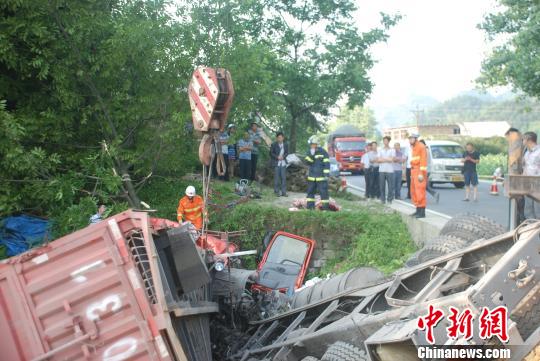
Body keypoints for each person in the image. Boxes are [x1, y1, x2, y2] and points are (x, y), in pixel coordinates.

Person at [305, 136, 330, 210]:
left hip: (321, 177)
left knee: (324, 193)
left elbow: (327, 163)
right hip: (312, 177)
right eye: (311, 144)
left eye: (312, 144)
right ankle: (310, 208)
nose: (311, 146)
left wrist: (326, 175)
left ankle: (325, 209)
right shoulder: (309, 151)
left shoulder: (323, 152)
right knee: (310, 193)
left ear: (316, 144)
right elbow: (308, 162)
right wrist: (312, 155)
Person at [409, 133, 428, 218]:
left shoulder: (421, 146)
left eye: (411, 138)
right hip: (414, 171)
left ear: (416, 138)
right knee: (414, 192)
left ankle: (422, 212)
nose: (410, 140)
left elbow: (423, 161)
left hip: (419, 171)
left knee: (420, 192)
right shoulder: (414, 147)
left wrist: (421, 173)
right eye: (409, 138)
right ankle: (417, 210)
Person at [522, 131, 540, 219]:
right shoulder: (527, 153)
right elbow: (526, 167)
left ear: (529, 140)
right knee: (528, 210)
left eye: (523, 139)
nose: (522, 141)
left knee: (538, 210)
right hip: (528, 183)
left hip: (538, 183)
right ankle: (531, 231)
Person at [377, 136, 396, 204]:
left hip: (390, 170)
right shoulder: (380, 149)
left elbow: (392, 160)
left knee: (390, 186)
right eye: (384, 141)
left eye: (386, 141)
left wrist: (383, 159)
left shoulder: (392, 150)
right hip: (381, 170)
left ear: (388, 141)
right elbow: (378, 160)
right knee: (382, 186)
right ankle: (382, 199)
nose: (385, 142)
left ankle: (389, 199)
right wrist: (387, 159)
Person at [270, 132, 289, 197]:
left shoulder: (286, 145)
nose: (279, 139)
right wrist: (277, 157)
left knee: (283, 178)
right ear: (277, 138)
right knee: (277, 178)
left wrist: (283, 157)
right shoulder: (273, 144)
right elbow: (271, 153)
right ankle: (276, 191)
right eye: (278, 138)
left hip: (283, 163)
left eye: (281, 138)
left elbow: (287, 153)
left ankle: (284, 192)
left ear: (283, 138)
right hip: (276, 163)